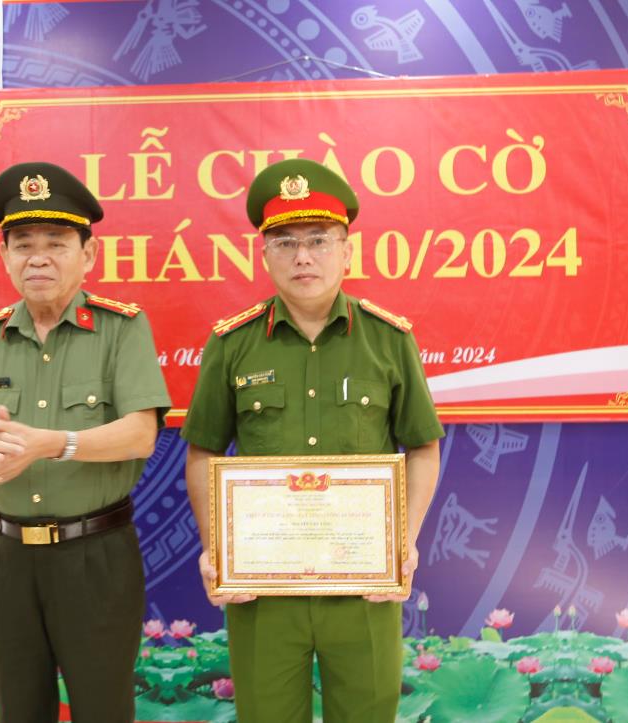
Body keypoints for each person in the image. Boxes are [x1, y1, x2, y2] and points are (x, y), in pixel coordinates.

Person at [181, 158, 444, 723]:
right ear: (264, 254)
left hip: (363, 585)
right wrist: (215, 548)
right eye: (285, 241)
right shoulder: (233, 345)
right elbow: (202, 451)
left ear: (347, 250)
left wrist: (405, 537)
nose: (303, 256)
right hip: (263, 588)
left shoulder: (389, 340)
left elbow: (422, 446)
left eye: (319, 240)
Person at [0, 161, 171, 723]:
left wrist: (51, 444)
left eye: (57, 242)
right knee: (19, 708)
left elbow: (140, 434)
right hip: (8, 556)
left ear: (88, 255)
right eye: (22, 243)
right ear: (5, 257)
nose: (37, 257)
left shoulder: (122, 329)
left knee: (102, 708)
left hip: (96, 553)